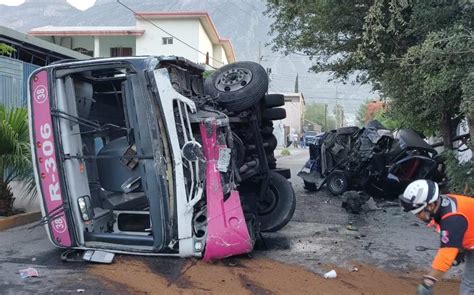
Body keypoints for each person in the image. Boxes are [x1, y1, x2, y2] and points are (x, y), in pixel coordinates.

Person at [399, 179, 474, 295]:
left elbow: (446, 255)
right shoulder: (443, 205)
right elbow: (460, 230)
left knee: (470, 284)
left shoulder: (452, 218)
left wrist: (428, 282)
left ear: (430, 205)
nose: (418, 217)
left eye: (419, 213)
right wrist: (460, 249)